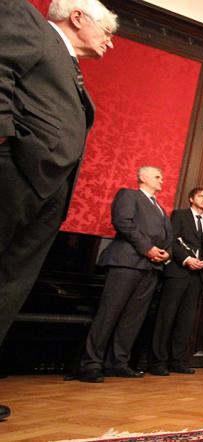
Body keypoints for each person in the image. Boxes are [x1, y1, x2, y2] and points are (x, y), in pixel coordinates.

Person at [0, 0, 117, 403]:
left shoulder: (68, 65)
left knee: (10, 284)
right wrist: (5, 141)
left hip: (46, 188)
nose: (110, 42)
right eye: (108, 30)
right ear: (78, 16)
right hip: (15, 173)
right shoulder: (27, 22)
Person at [77, 166, 172, 382]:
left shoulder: (160, 209)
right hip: (127, 262)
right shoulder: (128, 195)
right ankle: (90, 364)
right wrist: (147, 248)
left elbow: (169, 237)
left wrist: (166, 255)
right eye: (157, 177)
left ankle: (118, 363)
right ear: (143, 177)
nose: (162, 180)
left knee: (133, 319)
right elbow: (123, 222)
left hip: (151, 268)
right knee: (108, 314)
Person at [149, 187, 203, 376]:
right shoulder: (179, 215)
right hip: (178, 272)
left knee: (185, 321)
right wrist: (186, 260)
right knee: (166, 317)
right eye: (201, 196)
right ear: (191, 199)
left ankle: (178, 361)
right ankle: (157, 362)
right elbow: (171, 241)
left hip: (197, 277)